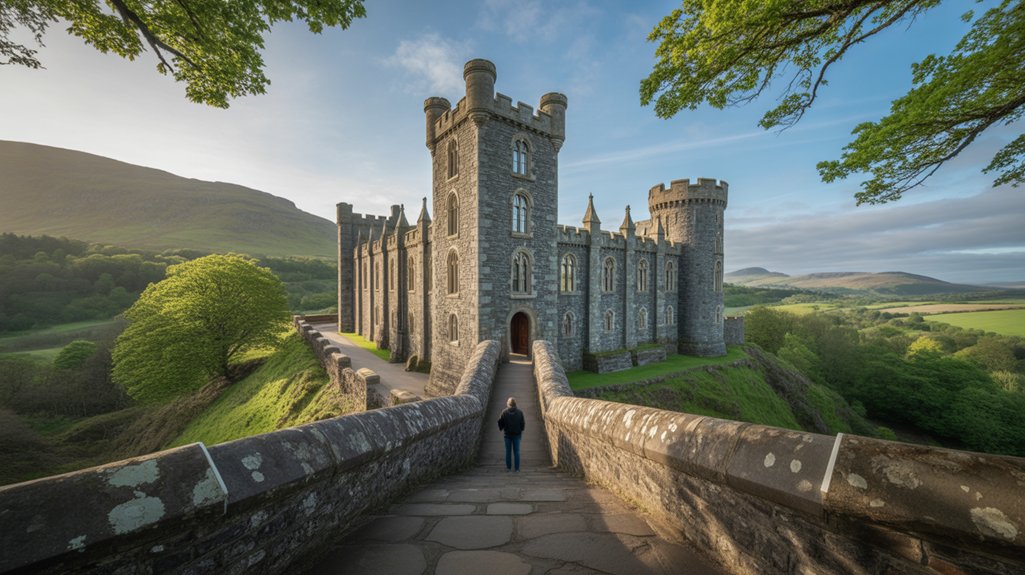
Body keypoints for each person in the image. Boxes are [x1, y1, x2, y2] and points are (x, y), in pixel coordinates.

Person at [498, 397, 525, 472]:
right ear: (515, 404)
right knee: (517, 452)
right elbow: (522, 423)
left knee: (508, 452)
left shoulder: (504, 412)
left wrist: (501, 427)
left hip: (507, 435)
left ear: (508, 404)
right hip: (517, 434)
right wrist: (521, 429)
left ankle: (508, 468)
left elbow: (500, 422)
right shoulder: (520, 412)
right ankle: (517, 469)